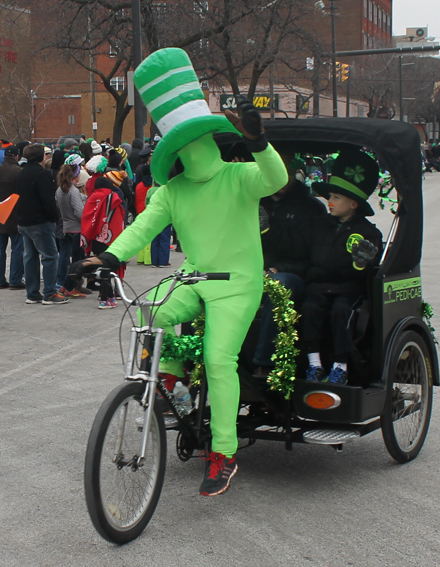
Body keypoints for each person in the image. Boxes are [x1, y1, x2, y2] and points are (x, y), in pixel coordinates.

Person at [71, 47, 288, 497]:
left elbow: (276, 180)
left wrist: (259, 142)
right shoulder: (173, 191)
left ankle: (223, 453)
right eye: (182, 146)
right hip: (195, 276)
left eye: (195, 142)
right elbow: (142, 228)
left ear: (207, 141)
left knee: (218, 359)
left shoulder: (239, 175)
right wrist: (108, 257)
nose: (192, 152)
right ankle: (168, 381)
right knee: (148, 309)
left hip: (238, 283)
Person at [301, 149, 382, 384]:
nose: (330, 201)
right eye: (330, 196)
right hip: (318, 285)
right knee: (309, 309)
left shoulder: (368, 232)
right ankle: (314, 364)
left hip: (348, 288)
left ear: (353, 204)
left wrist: (362, 263)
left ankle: (341, 366)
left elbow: (370, 267)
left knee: (341, 312)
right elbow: (303, 252)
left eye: (336, 197)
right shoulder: (318, 225)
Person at [253, 155, 328, 376]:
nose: (281, 177)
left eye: (286, 171)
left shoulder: (311, 208)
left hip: (294, 273)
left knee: (279, 285)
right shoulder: (255, 201)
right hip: (252, 268)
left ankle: (265, 364)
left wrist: (276, 269)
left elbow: (315, 255)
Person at [17, 144, 68, 304]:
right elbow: (48, 200)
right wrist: (53, 218)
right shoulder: (42, 174)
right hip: (40, 221)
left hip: (24, 220)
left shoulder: (21, 173)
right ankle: (50, 293)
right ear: (41, 157)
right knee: (50, 256)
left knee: (30, 257)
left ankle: (32, 293)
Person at [80, 176, 126, 309]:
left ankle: (109, 296)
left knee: (101, 266)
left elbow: (86, 218)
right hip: (110, 238)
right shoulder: (113, 198)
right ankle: (105, 299)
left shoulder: (92, 199)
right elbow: (119, 220)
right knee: (108, 268)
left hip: (95, 239)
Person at [55, 156, 87, 298]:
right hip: (76, 228)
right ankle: (70, 287)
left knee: (66, 256)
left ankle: (64, 285)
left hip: (65, 227)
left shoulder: (59, 190)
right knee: (77, 261)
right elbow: (79, 212)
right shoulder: (73, 191)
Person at [0, 145, 24, 290]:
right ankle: (15, 280)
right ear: (16, 156)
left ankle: (0, 280)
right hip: (15, 216)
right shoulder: (19, 172)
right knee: (17, 249)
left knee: (0, 249)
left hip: (0, 215)